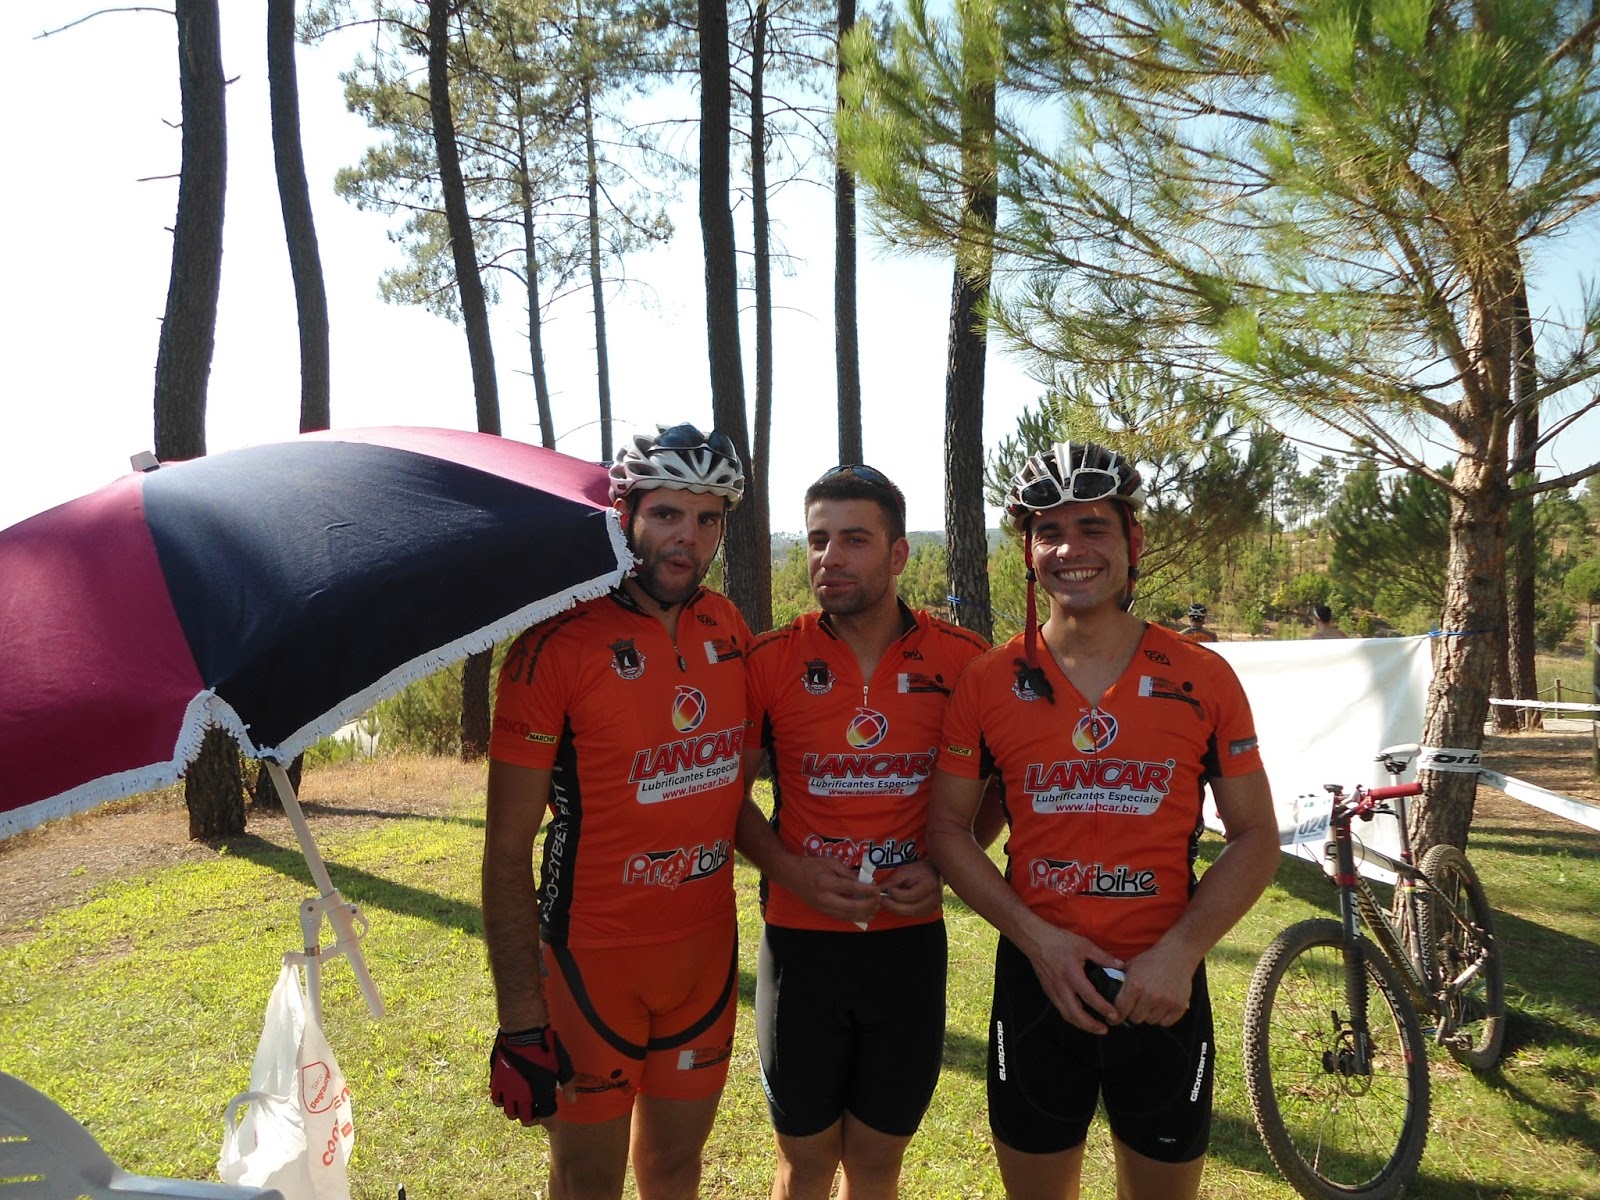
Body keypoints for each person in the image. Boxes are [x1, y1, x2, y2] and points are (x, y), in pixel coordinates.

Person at [926, 442, 1281, 1200]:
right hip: (1037, 980)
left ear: (1133, 541)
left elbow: (1256, 835)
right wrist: (1040, 942)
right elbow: (948, 830)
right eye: (1049, 533)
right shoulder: (988, 680)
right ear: (1027, 551)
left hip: (1164, 982)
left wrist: (1181, 951)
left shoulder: (1203, 676)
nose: (1070, 550)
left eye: (1093, 528)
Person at [482, 423, 751, 1200]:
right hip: (589, 966)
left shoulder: (727, 626)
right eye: (667, 514)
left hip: (705, 954)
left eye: (707, 519)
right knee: (586, 1183)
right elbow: (506, 851)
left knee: (674, 1169)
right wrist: (521, 1020)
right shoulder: (553, 646)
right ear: (625, 514)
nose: (688, 538)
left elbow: (734, 788)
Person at [737, 464, 993, 1200]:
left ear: (899, 554)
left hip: (907, 946)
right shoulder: (771, 659)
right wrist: (790, 870)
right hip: (801, 946)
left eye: (854, 539)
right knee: (805, 1163)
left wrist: (945, 867)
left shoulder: (962, 658)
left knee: (878, 1164)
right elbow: (725, 797)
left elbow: (1000, 789)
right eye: (818, 540)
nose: (830, 557)